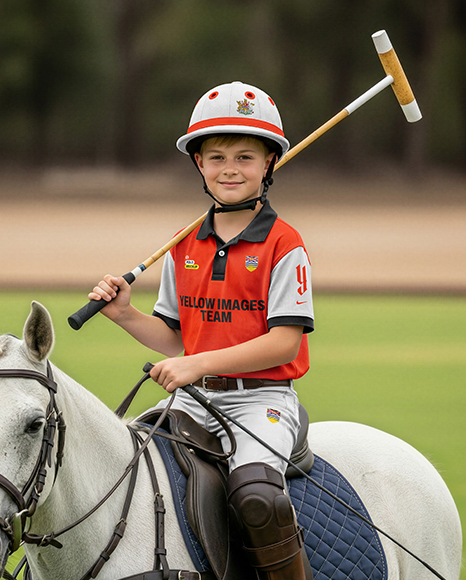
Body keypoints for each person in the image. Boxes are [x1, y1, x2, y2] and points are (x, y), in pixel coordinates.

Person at [89, 81, 314, 580]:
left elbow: (284, 342)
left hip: (262, 401)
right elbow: (176, 339)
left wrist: (196, 364)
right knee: (124, 465)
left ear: (270, 163)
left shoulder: (284, 243)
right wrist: (126, 314)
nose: (229, 168)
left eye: (244, 156)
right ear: (198, 164)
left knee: (258, 499)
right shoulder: (184, 242)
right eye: (216, 156)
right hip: (193, 401)